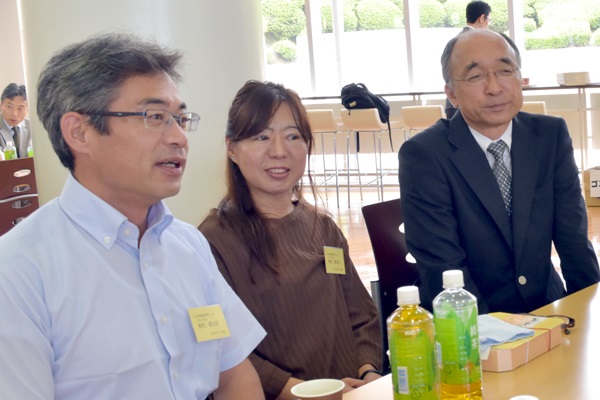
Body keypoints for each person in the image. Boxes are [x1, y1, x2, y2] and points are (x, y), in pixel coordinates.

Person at [0, 33, 267, 400]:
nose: (179, 137)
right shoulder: (18, 270)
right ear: (79, 132)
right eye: (155, 116)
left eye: (180, 118)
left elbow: (234, 375)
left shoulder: (188, 246)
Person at [199, 80, 382, 400]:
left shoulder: (323, 228)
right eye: (261, 136)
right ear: (231, 148)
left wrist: (369, 373)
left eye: (293, 136)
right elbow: (219, 348)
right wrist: (299, 392)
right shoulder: (212, 241)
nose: (279, 151)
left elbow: (361, 314)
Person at [398, 29, 600, 314]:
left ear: (520, 79)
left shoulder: (549, 136)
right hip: (475, 325)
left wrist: (588, 314)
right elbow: (443, 268)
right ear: (452, 94)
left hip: (549, 308)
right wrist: (498, 341)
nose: (494, 87)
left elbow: (574, 241)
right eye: (476, 76)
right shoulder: (425, 155)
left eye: (505, 71)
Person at [445, 1, 492, 119]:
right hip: (472, 104)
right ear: (482, 18)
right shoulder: (479, 41)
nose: (488, 24)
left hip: (452, 102)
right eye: (488, 20)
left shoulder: (453, 41)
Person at [0, 83, 32, 158]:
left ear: (28, 109)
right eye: (9, 107)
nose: (14, 114)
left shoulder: (32, 127)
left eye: (20, 108)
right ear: (1, 105)